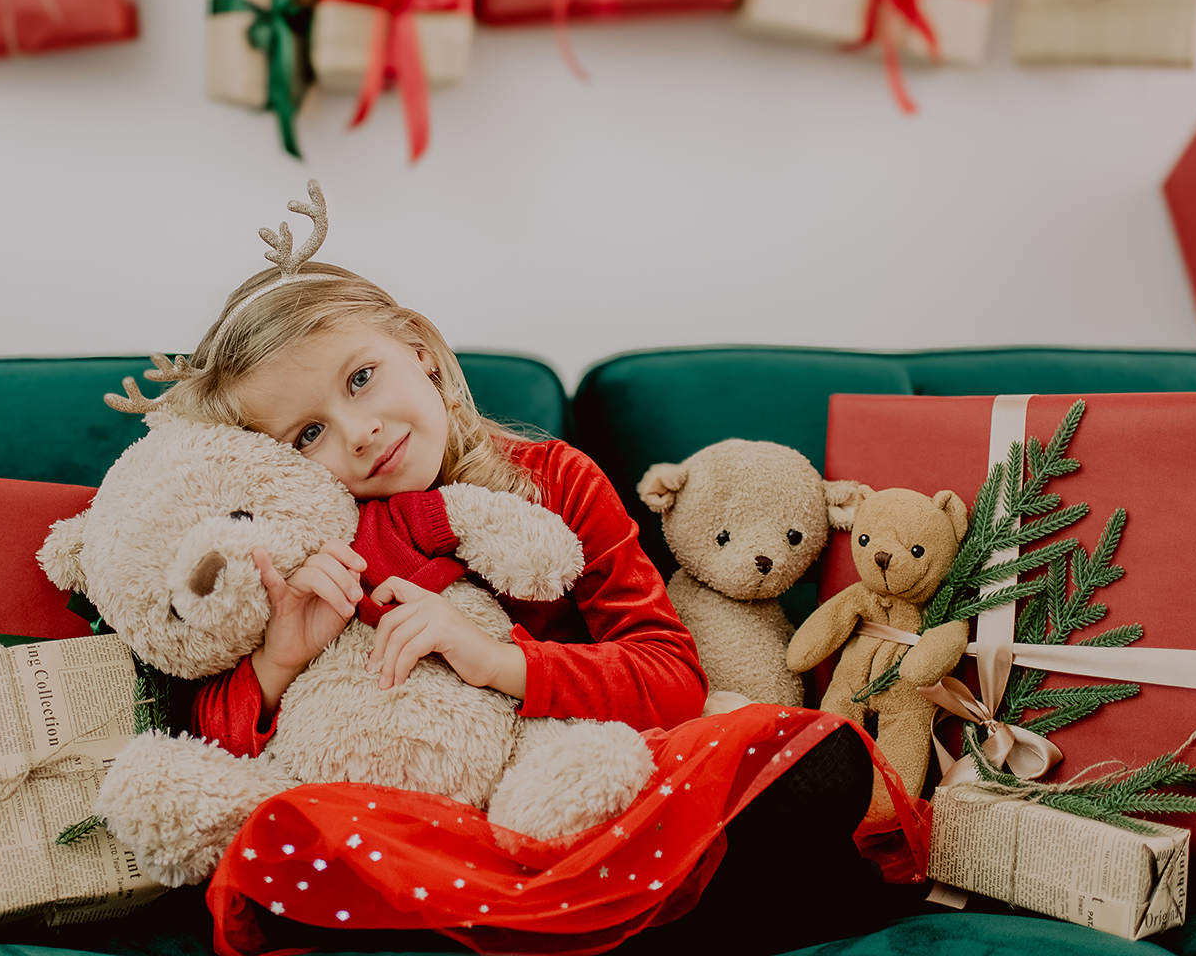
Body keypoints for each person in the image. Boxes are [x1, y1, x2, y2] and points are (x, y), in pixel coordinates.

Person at [156, 184, 920, 956]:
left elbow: (669, 675)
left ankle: (575, 912)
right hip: (427, 825)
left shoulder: (554, 480)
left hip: (585, 793)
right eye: (307, 433)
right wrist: (279, 661)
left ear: (417, 348)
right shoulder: (300, 541)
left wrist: (498, 661)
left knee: (815, 761)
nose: (359, 433)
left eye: (361, 378)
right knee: (278, 841)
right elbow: (215, 738)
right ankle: (612, 918)